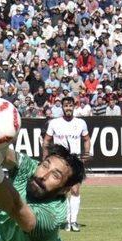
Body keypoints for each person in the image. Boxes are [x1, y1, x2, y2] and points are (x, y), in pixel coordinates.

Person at [42, 96, 91, 232]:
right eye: (66, 106)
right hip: (59, 161)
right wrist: (45, 159)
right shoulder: (54, 123)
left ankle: (73, 221)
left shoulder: (81, 123)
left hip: (75, 161)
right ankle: (65, 221)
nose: (68, 108)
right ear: (62, 107)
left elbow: (86, 139)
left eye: (70, 106)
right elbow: (46, 141)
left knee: (75, 190)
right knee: (61, 191)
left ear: (74, 107)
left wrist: (85, 155)